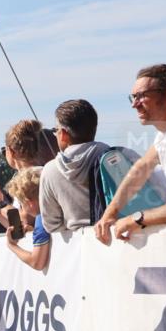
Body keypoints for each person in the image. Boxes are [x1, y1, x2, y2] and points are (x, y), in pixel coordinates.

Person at [95, 64, 166, 242]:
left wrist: (135, 219)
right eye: (133, 97)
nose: (134, 104)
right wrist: (110, 212)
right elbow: (141, 168)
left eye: (142, 96)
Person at [39, 99, 109, 233]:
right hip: (119, 236)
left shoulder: (50, 170)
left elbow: (51, 224)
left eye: (55, 130)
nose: (55, 134)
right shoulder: (115, 157)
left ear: (64, 134)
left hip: (77, 242)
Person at [0, 119, 59, 230]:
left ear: (11, 151)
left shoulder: (31, 176)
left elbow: (26, 220)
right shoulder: (38, 173)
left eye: (4, 150)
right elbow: (16, 226)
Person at [0, 167, 51, 270]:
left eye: (21, 204)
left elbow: (37, 263)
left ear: (29, 202)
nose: (21, 209)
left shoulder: (41, 218)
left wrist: (12, 245)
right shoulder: (52, 210)